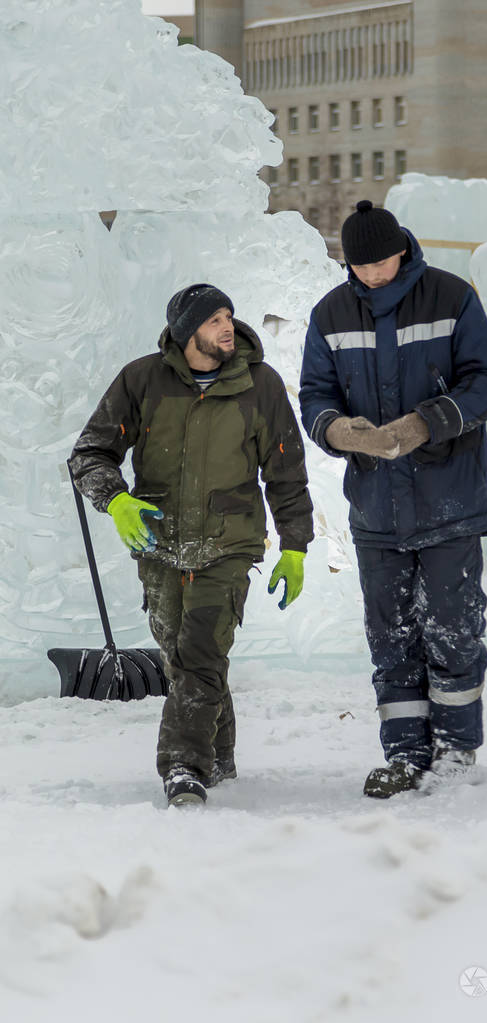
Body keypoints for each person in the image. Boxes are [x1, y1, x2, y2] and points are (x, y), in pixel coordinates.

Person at [70, 284, 314, 807]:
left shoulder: (260, 385)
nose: (227, 327)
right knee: (186, 662)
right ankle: (220, 757)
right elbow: (89, 454)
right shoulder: (142, 380)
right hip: (159, 548)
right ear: (187, 333)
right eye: (213, 320)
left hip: (229, 545)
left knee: (201, 653)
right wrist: (115, 501)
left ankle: (184, 767)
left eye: (229, 316)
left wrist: (295, 546)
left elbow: (287, 475)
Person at [299, 200, 487, 798]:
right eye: (359, 266)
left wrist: (427, 422)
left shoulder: (451, 297)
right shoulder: (330, 314)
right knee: (390, 636)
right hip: (376, 509)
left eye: (380, 261)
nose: (371, 274)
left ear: (403, 248)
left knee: (452, 629)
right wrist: (335, 429)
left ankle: (455, 748)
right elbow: (315, 393)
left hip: (449, 501)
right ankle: (405, 751)